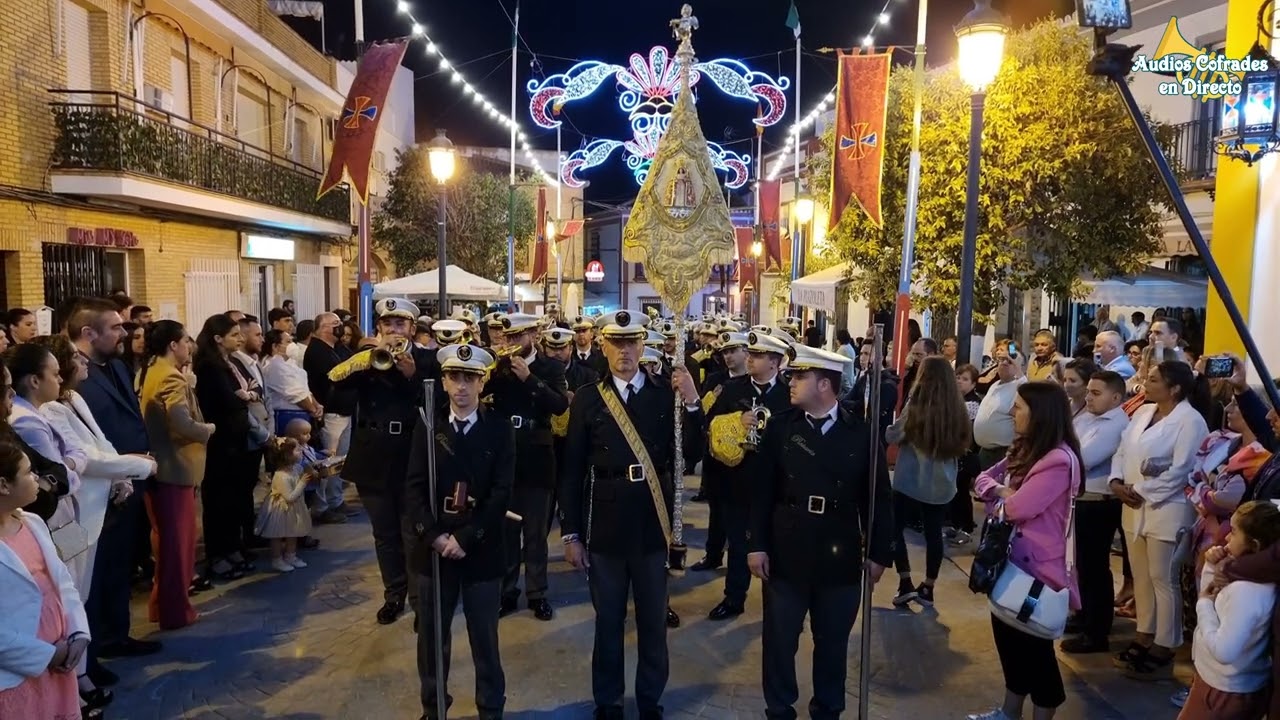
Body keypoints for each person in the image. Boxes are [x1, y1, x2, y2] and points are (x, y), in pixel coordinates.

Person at [557, 310, 702, 720]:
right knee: (608, 624)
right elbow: (570, 471)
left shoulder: (664, 394)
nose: (624, 351)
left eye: (631, 342)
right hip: (603, 526)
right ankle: (609, 702)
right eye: (616, 343)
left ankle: (650, 700)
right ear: (602, 346)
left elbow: (692, 454)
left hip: (651, 524)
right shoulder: (587, 398)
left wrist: (691, 401)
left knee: (654, 623)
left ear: (643, 345)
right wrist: (570, 534)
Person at [746, 343, 893, 720]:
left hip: (839, 551)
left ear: (825, 385)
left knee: (832, 643)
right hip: (786, 548)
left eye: (800, 376)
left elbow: (877, 498)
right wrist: (756, 545)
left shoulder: (859, 433)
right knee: (779, 643)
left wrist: (879, 552)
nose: (790, 382)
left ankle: (827, 709)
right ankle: (779, 708)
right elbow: (761, 492)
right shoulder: (780, 428)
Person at [405, 343, 511, 720]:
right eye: (454, 378)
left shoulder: (499, 429)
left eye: (470, 378)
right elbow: (414, 488)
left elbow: (501, 493)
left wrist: (465, 538)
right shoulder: (428, 424)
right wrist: (433, 535)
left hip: (479, 550)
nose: (461, 386)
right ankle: (433, 708)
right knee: (432, 640)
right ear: (445, 382)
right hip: (434, 551)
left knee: (485, 639)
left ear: (482, 383)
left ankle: (490, 708)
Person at [968, 382, 1083, 720]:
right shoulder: (1024, 449)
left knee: (1036, 653)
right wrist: (1004, 491)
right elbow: (982, 479)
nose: (1010, 412)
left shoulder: (1059, 460)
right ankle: (1009, 711)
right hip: (1011, 559)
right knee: (1009, 642)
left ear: (1041, 414)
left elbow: (1019, 508)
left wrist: (1002, 497)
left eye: (1018, 407)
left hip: (1038, 569)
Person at [328, 297, 438, 626]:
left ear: (413, 329)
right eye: (388, 324)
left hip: (410, 457)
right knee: (384, 534)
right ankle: (394, 595)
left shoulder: (429, 360)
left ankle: (421, 602)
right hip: (372, 458)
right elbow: (335, 398)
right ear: (379, 328)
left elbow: (438, 407)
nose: (393, 330)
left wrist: (412, 376)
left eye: (400, 324)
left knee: (412, 533)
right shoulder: (366, 361)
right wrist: (360, 366)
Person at [66, 298, 159, 681]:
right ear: (89, 333)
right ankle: (92, 653)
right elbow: (85, 443)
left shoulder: (117, 366)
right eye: (116, 328)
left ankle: (116, 633)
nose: (127, 334)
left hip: (126, 483)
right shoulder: (72, 377)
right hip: (94, 491)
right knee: (93, 573)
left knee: (118, 564)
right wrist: (129, 465)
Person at [1109, 361, 1209, 680]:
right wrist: (1116, 481)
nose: (1145, 384)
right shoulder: (1142, 413)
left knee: (1162, 578)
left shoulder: (1191, 421)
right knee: (1141, 576)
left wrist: (1139, 489)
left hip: (1169, 508)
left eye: (1153, 380)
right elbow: (1122, 450)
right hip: (1133, 505)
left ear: (1174, 388)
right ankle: (1144, 633)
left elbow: (1184, 469)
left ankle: (1166, 643)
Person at [699, 330, 791, 620]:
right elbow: (708, 425)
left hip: (777, 485)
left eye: (758, 356)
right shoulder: (732, 389)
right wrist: (735, 422)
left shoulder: (789, 392)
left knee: (777, 546)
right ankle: (733, 598)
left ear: (775, 361)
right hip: (738, 480)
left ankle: (780, 606)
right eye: (750, 354)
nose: (750, 359)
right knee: (738, 545)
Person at [0, 439, 94, 719]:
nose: (38, 479)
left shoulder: (32, 522)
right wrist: (45, 656)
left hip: (60, 661)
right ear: (4, 485)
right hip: (18, 675)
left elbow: (63, 583)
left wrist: (78, 632)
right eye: (29, 473)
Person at [486, 313, 569, 621]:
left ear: (533, 334)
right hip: (505, 457)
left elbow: (560, 405)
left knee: (535, 534)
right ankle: (507, 593)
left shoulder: (551, 366)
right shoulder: (498, 368)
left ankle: (537, 593)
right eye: (508, 338)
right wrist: (495, 371)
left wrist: (529, 379)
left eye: (518, 336)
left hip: (537, 456)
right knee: (506, 533)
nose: (511, 343)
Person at [136, 320, 213, 629]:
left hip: (159, 467)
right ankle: (176, 611)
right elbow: (181, 423)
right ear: (173, 345)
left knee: (165, 542)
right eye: (185, 341)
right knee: (179, 546)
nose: (189, 346)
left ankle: (160, 605)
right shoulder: (170, 377)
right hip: (175, 467)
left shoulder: (148, 371)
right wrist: (207, 429)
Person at [886, 356, 972, 607]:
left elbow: (894, 434)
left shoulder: (917, 404)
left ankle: (905, 581)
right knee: (934, 535)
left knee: (894, 528)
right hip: (942, 485)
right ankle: (929, 587)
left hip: (910, 481)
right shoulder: (957, 407)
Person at [1182, 501, 1280, 720]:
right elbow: (1212, 595)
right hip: (1224, 684)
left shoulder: (1247, 590)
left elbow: (1225, 651)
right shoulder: (1246, 575)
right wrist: (1211, 567)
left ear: (1253, 544)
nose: (1226, 537)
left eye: (1233, 532)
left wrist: (1203, 605)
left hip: (1224, 690)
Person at [1061, 369, 1129, 654]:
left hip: (1100, 502)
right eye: (1088, 391)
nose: (1088, 397)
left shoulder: (1116, 424)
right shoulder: (1087, 416)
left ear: (1116, 397)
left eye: (1096, 393)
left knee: (1094, 568)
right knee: (1080, 565)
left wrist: (1064, 453)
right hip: (1081, 498)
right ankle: (1084, 614)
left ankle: (1096, 631)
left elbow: (1082, 458)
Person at [192, 313, 255, 581]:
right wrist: (244, 398)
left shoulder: (231, 363)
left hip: (237, 442)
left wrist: (248, 396)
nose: (240, 339)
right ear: (218, 338)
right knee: (218, 502)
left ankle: (232, 547)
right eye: (234, 335)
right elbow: (227, 401)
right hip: (220, 444)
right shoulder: (208, 367)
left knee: (234, 501)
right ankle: (218, 555)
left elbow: (252, 390)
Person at [255, 437, 313, 573]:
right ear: (287, 455)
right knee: (278, 535)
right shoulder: (281, 476)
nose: (301, 451)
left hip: (293, 509)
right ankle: (277, 559)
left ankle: (290, 555)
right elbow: (289, 497)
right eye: (297, 449)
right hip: (281, 510)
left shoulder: (296, 468)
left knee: (292, 533)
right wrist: (302, 483)